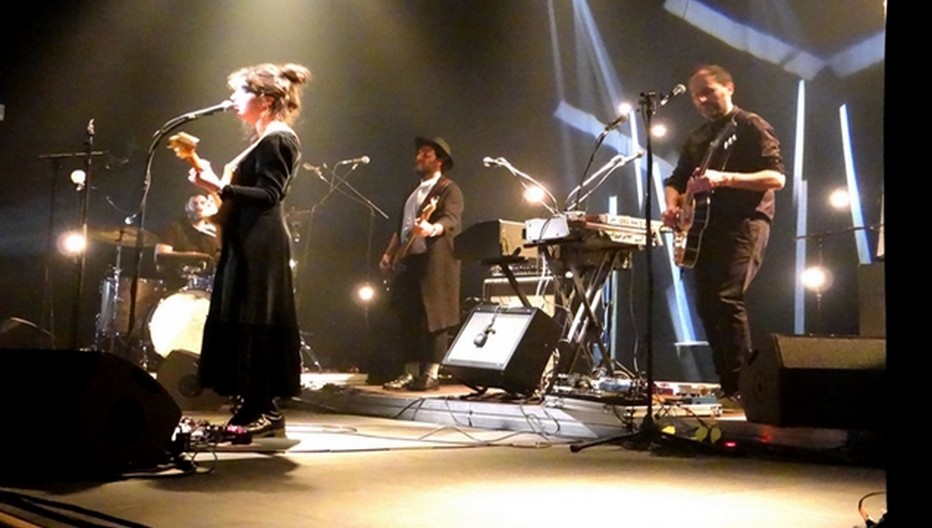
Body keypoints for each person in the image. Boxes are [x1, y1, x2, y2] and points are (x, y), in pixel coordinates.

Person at [187, 62, 311, 437]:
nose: (233, 100)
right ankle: (252, 406)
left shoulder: (279, 139)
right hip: (246, 239)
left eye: (241, 92)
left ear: (267, 99)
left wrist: (219, 186)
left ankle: (264, 408)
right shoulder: (263, 139)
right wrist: (213, 186)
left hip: (261, 242)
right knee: (243, 316)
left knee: (256, 317)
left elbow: (270, 194)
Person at [661, 65, 786, 410]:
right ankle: (729, 384)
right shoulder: (698, 137)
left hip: (745, 222)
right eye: (698, 96)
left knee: (727, 298)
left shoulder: (750, 125)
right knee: (706, 305)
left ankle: (746, 388)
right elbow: (676, 179)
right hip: (704, 227)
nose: (703, 100)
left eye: (710, 91)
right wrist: (673, 207)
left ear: (729, 87)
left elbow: (776, 178)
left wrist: (724, 178)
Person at [379, 137, 464, 392]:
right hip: (409, 260)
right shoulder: (412, 192)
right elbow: (401, 228)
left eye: (426, 154)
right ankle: (409, 373)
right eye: (418, 153)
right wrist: (388, 254)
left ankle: (431, 373)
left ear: (440, 160)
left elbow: (451, 219)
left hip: (434, 263)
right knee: (408, 316)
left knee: (434, 318)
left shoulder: (449, 189)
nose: (419, 157)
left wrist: (432, 227)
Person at [154, 192, 222, 290]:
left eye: (203, 203)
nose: (199, 207)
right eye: (194, 203)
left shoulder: (217, 230)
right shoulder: (175, 227)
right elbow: (160, 255)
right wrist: (195, 256)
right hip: (177, 284)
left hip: (210, 286)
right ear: (187, 207)